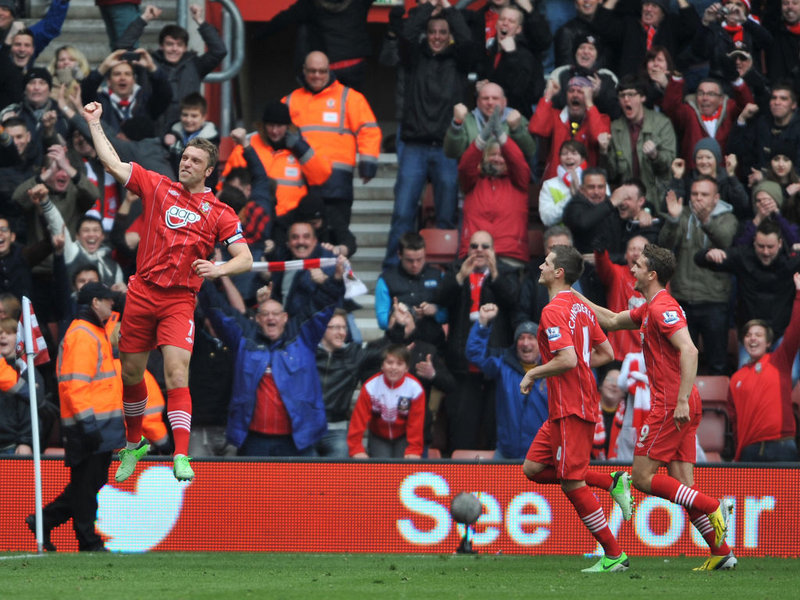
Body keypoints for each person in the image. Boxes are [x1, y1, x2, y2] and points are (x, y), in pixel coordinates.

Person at [81, 100, 253, 483]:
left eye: (194, 160)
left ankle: (180, 454)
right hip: (142, 292)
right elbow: (112, 163)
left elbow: (245, 258)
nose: (185, 163)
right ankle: (133, 445)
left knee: (177, 373)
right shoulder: (157, 186)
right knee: (130, 374)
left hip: (178, 300)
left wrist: (218, 268)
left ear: (208, 171)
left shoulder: (221, 212)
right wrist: (94, 122)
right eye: (184, 157)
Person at [578, 243, 736, 571]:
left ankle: (712, 506)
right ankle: (721, 552)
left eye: (637, 265)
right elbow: (609, 318)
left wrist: (679, 400)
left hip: (670, 404)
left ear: (651, 274)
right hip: (678, 403)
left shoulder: (664, 308)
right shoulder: (648, 308)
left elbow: (690, 351)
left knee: (641, 478)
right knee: (682, 484)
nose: (631, 269)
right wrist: (571, 296)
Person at [519, 244, 631, 573]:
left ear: (559, 273)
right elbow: (606, 352)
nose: (540, 265)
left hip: (572, 405)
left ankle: (614, 555)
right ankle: (612, 482)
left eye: (546, 262)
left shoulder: (553, 311)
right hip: (567, 404)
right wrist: (576, 367)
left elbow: (567, 359)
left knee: (571, 482)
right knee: (533, 469)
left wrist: (533, 374)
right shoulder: (581, 309)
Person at [200, 258, 345, 457]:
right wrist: (204, 278)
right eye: (265, 314)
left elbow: (322, 305)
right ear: (257, 319)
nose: (271, 318)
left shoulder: (302, 335)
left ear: (285, 317)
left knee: (301, 490)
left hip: (298, 441)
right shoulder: (244, 336)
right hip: (253, 441)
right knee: (254, 490)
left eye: (276, 314)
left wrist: (336, 278)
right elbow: (217, 311)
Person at [26, 282, 125, 552]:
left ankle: (45, 521)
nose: (112, 305)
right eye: (108, 300)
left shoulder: (92, 330)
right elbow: (75, 385)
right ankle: (86, 539)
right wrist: (88, 424)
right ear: (95, 302)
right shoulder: (83, 334)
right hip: (90, 423)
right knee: (86, 484)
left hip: (96, 422)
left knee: (89, 482)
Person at [382, 1, 472, 266]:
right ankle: (391, 267)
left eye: (443, 32)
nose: (437, 37)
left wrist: (448, 10)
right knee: (403, 212)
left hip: (447, 148)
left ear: (450, 35)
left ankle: (441, 268)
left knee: (446, 214)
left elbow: (466, 40)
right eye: (432, 31)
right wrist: (428, 7)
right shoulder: (413, 57)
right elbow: (408, 34)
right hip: (414, 146)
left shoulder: (459, 61)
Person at [283, 51, 381, 247]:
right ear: (304, 71)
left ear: (329, 71)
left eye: (322, 71)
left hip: (337, 185)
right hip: (302, 184)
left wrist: (368, 162)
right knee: (302, 242)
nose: (317, 76)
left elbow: (368, 130)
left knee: (337, 239)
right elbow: (276, 134)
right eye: (312, 71)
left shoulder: (349, 98)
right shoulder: (291, 101)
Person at [433, 230, 519, 452]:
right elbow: (439, 299)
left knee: (495, 427)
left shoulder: (506, 271)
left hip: (494, 363)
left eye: (485, 246)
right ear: (467, 250)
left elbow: (513, 300)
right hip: (461, 366)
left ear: (493, 250)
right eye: (474, 246)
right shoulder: (456, 270)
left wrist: (495, 274)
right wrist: (461, 276)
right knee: (462, 430)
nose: (479, 250)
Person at [659, 176, 737, 375]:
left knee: (717, 363)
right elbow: (664, 246)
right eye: (694, 194)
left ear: (716, 198)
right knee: (681, 363)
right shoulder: (683, 215)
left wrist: (706, 221)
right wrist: (674, 220)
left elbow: (725, 239)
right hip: (683, 299)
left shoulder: (728, 217)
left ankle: (715, 405)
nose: (698, 199)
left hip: (714, 300)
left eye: (704, 194)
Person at [114, 3, 227, 133]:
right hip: (151, 132)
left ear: (185, 48)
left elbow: (219, 51)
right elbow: (121, 49)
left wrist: (200, 21)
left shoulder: (195, 65)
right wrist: (144, 18)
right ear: (161, 46)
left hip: (185, 132)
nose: (174, 49)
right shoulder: (147, 62)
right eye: (169, 44)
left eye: (179, 45)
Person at [728, 276, 800, 462]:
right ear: (743, 342)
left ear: (769, 343)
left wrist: (799, 295)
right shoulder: (736, 378)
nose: (752, 338)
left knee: (788, 493)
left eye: (758, 335)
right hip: (748, 451)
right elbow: (735, 423)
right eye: (748, 335)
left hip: (782, 446)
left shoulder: (779, 361)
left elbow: (795, 330)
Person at [466, 306, 547, 460]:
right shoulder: (503, 366)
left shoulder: (553, 371)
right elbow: (474, 354)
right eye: (521, 338)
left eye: (531, 338)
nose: (525, 343)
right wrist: (482, 323)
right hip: (506, 455)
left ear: (540, 343)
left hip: (541, 457)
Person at [457, 116, 530, 265]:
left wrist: (502, 137)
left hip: (510, 254)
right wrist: (482, 138)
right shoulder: (472, 182)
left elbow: (518, 162)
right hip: (475, 254)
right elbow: (465, 166)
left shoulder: (519, 181)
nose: (497, 159)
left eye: (502, 155)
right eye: (492, 155)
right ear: (484, 158)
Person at [599, 75, 676, 206]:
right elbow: (611, 174)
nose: (626, 100)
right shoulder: (614, 128)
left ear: (642, 97)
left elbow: (670, 166)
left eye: (631, 94)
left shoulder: (662, 124)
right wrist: (604, 152)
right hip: (627, 201)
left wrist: (655, 156)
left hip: (656, 199)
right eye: (622, 96)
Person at [347, 344, 425, 459]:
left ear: (406, 368)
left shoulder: (415, 389)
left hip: (403, 436)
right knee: (382, 471)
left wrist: (414, 449)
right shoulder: (370, 387)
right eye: (389, 362)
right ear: (382, 365)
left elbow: (416, 423)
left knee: (403, 470)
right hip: (379, 435)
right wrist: (356, 448)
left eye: (399, 364)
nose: (394, 367)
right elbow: (358, 419)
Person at [375, 231, 446, 350]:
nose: (415, 265)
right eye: (409, 260)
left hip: (433, 344)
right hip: (399, 348)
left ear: (425, 254)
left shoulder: (438, 276)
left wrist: (435, 311)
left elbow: (447, 315)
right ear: (399, 255)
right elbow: (382, 321)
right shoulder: (386, 279)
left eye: (420, 259)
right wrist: (396, 315)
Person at [443, 82, 536, 162]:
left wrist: (517, 130)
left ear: (504, 102)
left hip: (508, 179)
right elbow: (452, 153)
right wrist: (456, 124)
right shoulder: (467, 121)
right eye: (485, 98)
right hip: (474, 178)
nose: (490, 102)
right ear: (478, 102)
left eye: (495, 98)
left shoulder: (517, 119)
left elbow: (530, 152)